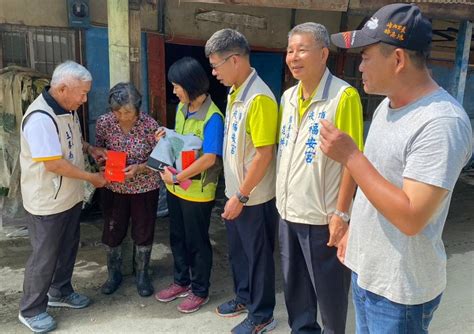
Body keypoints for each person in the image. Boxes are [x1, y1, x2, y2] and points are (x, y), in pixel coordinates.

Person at [321, 4, 472, 333]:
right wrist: (349, 226)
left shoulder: (441, 122)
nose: (359, 65)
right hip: (369, 274)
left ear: (399, 59)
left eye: (365, 56)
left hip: (400, 293)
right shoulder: (386, 108)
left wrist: (351, 156)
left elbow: (411, 216)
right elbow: (377, 184)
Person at [277, 22, 364, 334]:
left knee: (330, 298)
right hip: (288, 213)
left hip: (323, 218)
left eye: (302, 49)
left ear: (324, 53)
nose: (294, 57)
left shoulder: (343, 97)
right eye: (290, 50)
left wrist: (341, 214)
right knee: (296, 293)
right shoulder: (287, 97)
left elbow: (352, 162)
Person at [19, 60, 107, 333]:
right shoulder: (40, 118)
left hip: (69, 196)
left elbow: (70, 140)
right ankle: (31, 309)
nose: (84, 99)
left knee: (68, 248)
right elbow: (54, 163)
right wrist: (92, 178)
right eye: (81, 93)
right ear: (62, 88)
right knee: (44, 256)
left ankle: (60, 291)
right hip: (47, 200)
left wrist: (90, 149)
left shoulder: (66, 111)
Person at [205, 29, 279, 333]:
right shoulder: (236, 92)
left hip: (254, 197)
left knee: (258, 256)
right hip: (236, 192)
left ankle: (262, 315)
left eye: (216, 65)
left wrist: (243, 195)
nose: (213, 72)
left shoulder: (259, 98)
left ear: (234, 60)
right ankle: (244, 297)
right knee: (239, 251)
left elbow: (264, 154)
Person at [154, 57, 224, 314]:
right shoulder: (183, 109)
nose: (174, 91)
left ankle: (200, 290)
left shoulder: (213, 117)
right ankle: (181, 282)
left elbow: (209, 157)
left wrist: (179, 175)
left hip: (197, 191)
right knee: (177, 237)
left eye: (176, 86)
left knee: (197, 242)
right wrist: (166, 134)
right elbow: (183, 142)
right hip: (176, 186)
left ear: (191, 85)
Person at [95, 82, 161, 297]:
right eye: (118, 111)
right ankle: (113, 275)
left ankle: (142, 275)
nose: (122, 115)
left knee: (143, 230)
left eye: (128, 111)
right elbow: (98, 149)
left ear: (138, 109)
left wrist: (140, 167)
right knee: (113, 230)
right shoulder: (105, 123)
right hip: (114, 187)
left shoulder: (149, 125)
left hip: (144, 188)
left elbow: (160, 157)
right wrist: (101, 159)